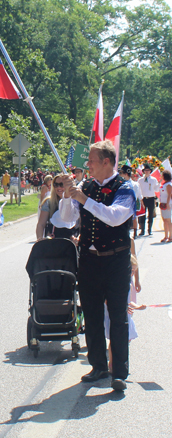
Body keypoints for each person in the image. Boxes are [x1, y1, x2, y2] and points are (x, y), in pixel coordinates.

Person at [60, 140, 134, 391]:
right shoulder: (86, 185)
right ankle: (98, 366)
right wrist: (67, 196)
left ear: (106, 162)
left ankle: (119, 371)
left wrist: (84, 198)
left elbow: (115, 217)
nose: (87, 164)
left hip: (116, 259)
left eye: (91, 160)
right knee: (90, 314)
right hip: (90, 259)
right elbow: (67, 219)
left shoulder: (125, 187)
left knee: (117, 316)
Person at [36, 175, 76, 241]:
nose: (59, 187)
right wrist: (40, 239)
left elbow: (81, 224)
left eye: (61, 184)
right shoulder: (48, 202)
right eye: (56, 185)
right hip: (53, 240)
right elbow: (41, 224)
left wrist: (78, 238)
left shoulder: (75, 201)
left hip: (71, 241)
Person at [119, 164, 142, 239]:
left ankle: (134, 232)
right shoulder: (121, 183)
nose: (120, 174)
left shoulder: (134, 184)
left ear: (125, 174)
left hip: (131, 204)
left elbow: (137, 194)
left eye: (121, 173)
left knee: (133, 218)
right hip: (122, 205)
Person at [137, 164, 159, 236]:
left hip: (151, 198)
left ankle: (149, 230)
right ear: (143, 171)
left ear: (150, 171)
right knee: (142, 214)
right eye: (145, 170)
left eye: (148, 170)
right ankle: (142, 230)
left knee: (150, 214)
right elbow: (138, 190)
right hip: (143, 199)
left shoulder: (153, 179)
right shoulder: (140, 180)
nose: (147, 172)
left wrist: (158, 184)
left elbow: (156, 189)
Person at [159, 169, 172, 242]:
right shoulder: (164, 184)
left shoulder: (169, 185)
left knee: (168, 220)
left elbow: (169, 194)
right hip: (162, 204)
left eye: (162, 175)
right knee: (164, 220)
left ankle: (171, 236)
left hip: (167, 204)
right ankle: (166, 236)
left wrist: (167, 204)